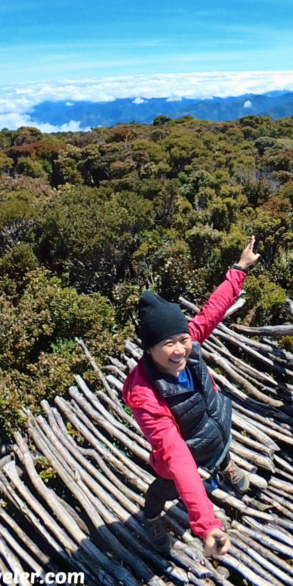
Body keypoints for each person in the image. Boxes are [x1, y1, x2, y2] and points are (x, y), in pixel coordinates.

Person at [123, 237, 260, 558]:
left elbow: (213, 310)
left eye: (183, 339)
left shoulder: (190, 343)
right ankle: (152, 517)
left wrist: (239, 268)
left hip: (211, 429)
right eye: (167, 343)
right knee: (165, 489)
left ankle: (225, 466)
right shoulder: (145, 394)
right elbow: (178, 456)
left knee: (220, 447)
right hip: (178, 460)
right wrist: (206, 524)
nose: (179, 350)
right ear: (149, 349)